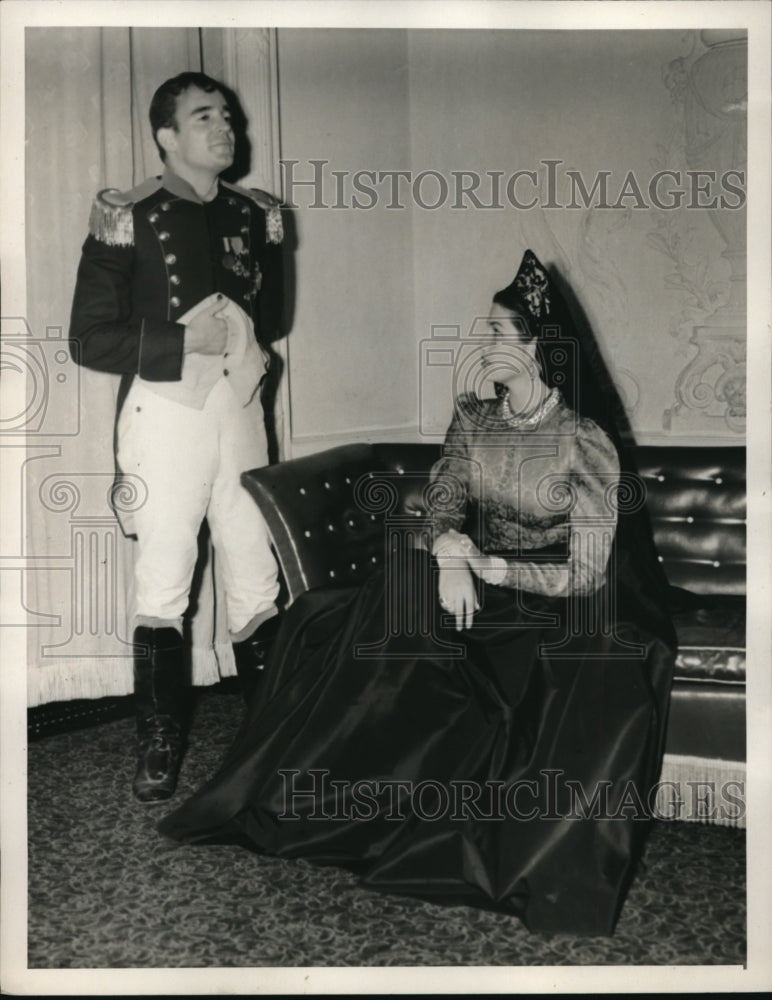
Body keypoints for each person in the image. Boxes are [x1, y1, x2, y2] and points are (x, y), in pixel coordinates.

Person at [158, 250, 676, 935]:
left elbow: (586, 572)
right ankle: (337, 800)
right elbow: (441, 506)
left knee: (593, 662)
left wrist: (493, 567)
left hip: (551, 596)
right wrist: (452, 553)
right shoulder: (474, 419)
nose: (483, 345)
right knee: (373, 597)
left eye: (498, 333)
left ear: (538, 348)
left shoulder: (583, 441)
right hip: (477, 578)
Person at [69, 72, 285, 803]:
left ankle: (273, 734)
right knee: (165, 581)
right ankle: (158, 745)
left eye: (227, 117)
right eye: (203, 118)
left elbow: (273, 317)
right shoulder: (126, 216)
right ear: (166, 136)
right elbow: (88, 337)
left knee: (256, 572)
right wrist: (184, 340)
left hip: (240, 411)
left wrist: (270, 255)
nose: (225, 129)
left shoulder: (253, 213)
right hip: (164, 413)